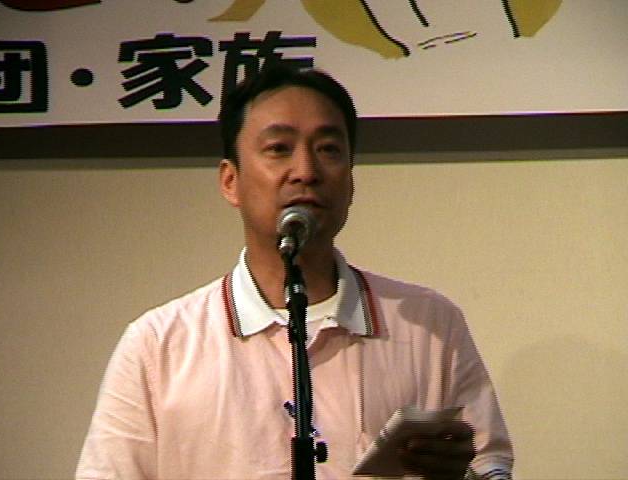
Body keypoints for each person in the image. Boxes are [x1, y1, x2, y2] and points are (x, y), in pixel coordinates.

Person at [76, 65, 513, 479]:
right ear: (230, 181)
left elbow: (490, 465)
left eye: (328, 150)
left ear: (351, 179)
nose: (306, 171)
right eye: (278, 149)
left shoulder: (431, 326)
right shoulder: (158, 346)